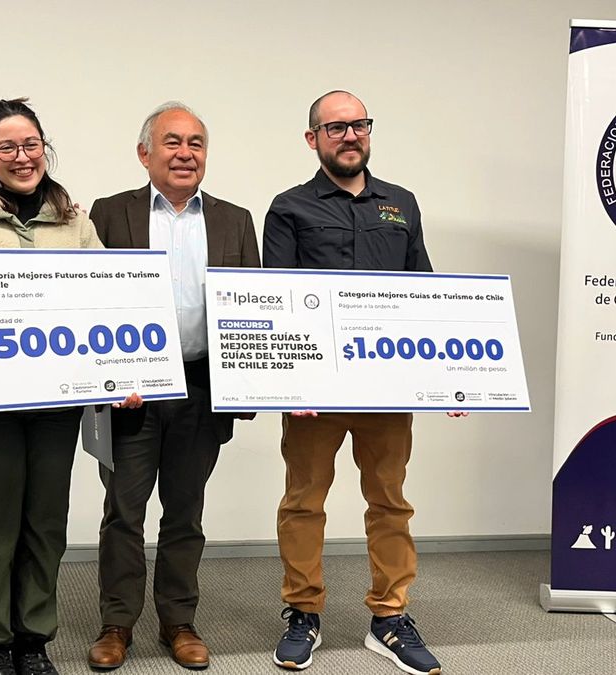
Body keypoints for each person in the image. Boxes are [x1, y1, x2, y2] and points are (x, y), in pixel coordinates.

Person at [0, 98, 140, 675]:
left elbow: (108, 300)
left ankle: (33, 637)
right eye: (7, 148)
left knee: (46, 523)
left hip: (56, 403)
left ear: (45, 149)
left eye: (31, 146)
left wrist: (124, 374)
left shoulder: (75, 221)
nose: (22, 158)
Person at [263, 90, 450, 675]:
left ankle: (390, 617)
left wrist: (453, 376)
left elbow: (424, 291)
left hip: (387, 390)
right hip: (315, 396)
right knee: (303, 503)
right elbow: (278, 302)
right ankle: (302, 613)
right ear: (312, 138)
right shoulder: (288, 208)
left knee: (390, 502)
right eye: (335, 127)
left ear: (369, 132)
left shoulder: (402, 204)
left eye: (359, 125)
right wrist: (295, 387)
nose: (350, 135)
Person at [85, 101, 260, 671]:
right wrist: (103, 378)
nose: (185, 153)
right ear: (145, 153)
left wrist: (254, 389)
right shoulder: (108, 214)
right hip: (130, 392)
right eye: (172, 142)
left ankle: (178, 620)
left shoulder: (236, 220)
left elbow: (255, 313)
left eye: (196, 143)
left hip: (202, 388)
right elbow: (87, 304)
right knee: (123, 511)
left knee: (185, 511)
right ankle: (118, 623)